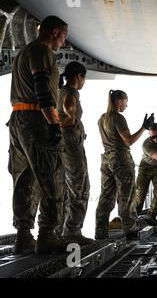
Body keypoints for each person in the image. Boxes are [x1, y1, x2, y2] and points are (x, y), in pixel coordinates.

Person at [8, 15, 68, 254]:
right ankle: (47, 234)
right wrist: (54, 124)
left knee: (25, 180)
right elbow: (42, 90)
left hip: (18, 119)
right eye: (64, 36)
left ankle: (23, 236)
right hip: (36, 120)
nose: (64, 42)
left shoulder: (24, 52)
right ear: (54, 32)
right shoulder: (43, 51)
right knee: (52, 176)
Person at [95, 90, 154, 240]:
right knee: (126, 197)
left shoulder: (102, 118)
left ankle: (100, 233)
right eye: (126, 101)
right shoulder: (118, 118)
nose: (127, 105)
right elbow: (128, 141)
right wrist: (144, 128)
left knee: (105, 197)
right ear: (119, 101)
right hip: (121, 159)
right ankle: (130, 231)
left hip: (106, 159)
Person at [56, 61, 93, 245]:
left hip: (63, 145)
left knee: (65, 189)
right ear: (78, 76)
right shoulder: (71, 93)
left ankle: (61, 230)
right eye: (84, 78)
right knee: (81, 187)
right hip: (71, 144)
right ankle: (72, 231)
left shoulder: (59, 91)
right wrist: (66, 126)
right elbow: (69, 116)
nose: (84, 82)